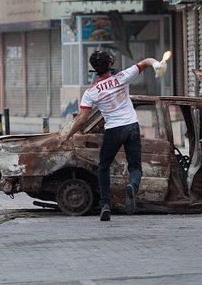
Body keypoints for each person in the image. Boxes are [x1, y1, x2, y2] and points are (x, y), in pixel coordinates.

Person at [60, 50, 170, 221]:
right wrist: (157, 65)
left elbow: (82, 119)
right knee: (135, 167)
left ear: (94, 69)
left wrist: (68, 135)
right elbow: (146, 61)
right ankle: (132, 185)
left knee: (103, 167)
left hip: (113, 130)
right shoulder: (122, 77)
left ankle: (105, 205)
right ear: (110, 64)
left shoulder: (91, 92)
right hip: (131, 127)